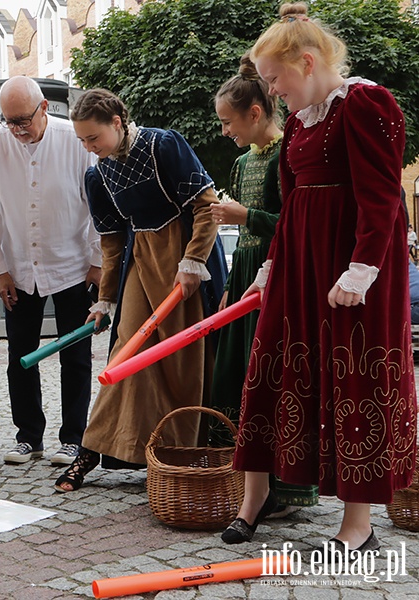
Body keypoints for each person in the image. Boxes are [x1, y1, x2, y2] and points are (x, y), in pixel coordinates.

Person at [233, 2, 415, 554]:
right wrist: (270, 268)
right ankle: (254, 499)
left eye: (275, 80)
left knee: (353, 378)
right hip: (300, 263)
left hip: (351, 263)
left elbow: (383, 196)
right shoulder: (299, 124)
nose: (272, 93)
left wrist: (361, 271)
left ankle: (357, 527)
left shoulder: (364, 102)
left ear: (307, 63)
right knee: (273, 367)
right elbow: (291, 206)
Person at [55, 87, 225, 492]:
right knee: (125, 355)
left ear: (116, 122)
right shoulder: (96, 175)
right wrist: (105, 300)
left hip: (185, 260)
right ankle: (92, 449)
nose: (89, 148)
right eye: (82, 141)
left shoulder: (163, 144)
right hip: (141, 261)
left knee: (185, 362)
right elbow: (112, 243)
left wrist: (194, 261)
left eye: (93, 138)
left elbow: (206, 204)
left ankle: (184, 453)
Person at [210, 53, 318, 543]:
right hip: (248, 277)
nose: (226, 131)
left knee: (273, 379)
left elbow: (291, 226)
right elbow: (244, 235)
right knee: (237, 377)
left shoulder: (283, 155)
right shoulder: (239, 162)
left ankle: (282, 487)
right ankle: (250, 482)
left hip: (279, 276)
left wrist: (243, 214)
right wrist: (232, 286)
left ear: (255, 113)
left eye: (229, 121)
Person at [0, 75, 101, 467]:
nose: (16, 129)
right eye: (9, 121)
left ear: (44, 107)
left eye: (22, 120)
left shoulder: (74, 140)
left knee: (75, 355)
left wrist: (97, 262)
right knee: (19, 355)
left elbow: (97, 202)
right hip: (18, 267)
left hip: (73, 264)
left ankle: (74, 438)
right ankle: (29, 436)